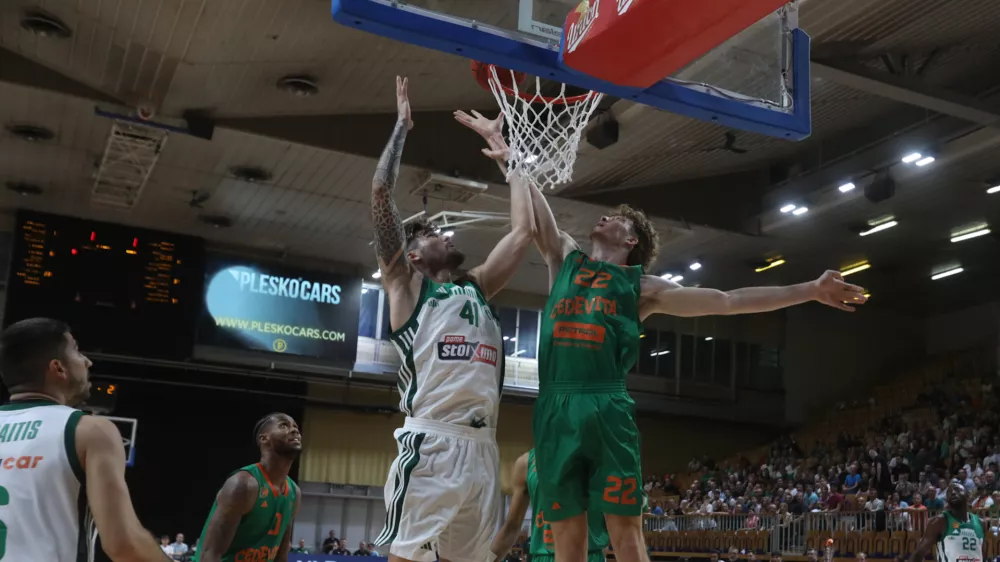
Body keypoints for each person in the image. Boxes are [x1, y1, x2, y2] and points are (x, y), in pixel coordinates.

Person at [457, 115, 867, 562]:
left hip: (605, 406)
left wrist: (809, 289)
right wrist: (508, 152)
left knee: (625, 535)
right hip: (554, 407)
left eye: (616, 218)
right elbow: (534, 216)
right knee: (566, 541)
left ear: (630, 239)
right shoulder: (566, 258)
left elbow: (727, 301)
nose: (605, 215)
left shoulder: (642, 289)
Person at [370, 76, 536, 562]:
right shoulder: (407, 287)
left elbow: (524, 231)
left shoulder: (478, 284)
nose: (443, 232)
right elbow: (381, 192)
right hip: (433, 443)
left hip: (484, 447)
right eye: (430, 234)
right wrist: (401, 129)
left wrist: (506, 155)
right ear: (414, 256)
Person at [0, 317, 171, 561]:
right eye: (77, 351)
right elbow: (124, 544)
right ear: (58, 368)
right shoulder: (90, 431)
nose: (88, 361)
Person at [194, 413, 301, 562]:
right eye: (284, 425)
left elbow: (280, 557)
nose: (295, 430)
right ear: (264, 439)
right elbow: (210, 555)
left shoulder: (294, 493)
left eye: (295, 426)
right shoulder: (244, 485)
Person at [491, 450, 608, 562]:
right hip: (543, 556)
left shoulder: (600, 457)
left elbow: (618, 524)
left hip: (589, 554)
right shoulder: (526, 463)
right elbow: (511, 527)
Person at [909, 483, 984, 562]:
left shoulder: (980, 523)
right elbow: (918, 553)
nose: (953, 493)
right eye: (949, 492)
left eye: (957, 490)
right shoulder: (939, 521)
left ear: (967, 495)